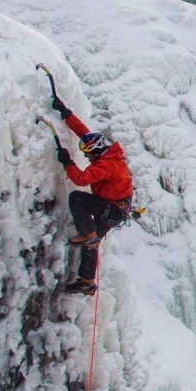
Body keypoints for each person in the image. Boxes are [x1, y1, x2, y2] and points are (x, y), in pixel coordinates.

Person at [48, 92, 133, 295]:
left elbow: (80, 179)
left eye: (87, 154)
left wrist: (67, 162)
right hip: (115, 209)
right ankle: (86, 280)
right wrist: (66, 112)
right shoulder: (107, 154)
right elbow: (83, 132)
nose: (86, 157)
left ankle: (89, 235)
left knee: (77, 198)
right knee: (92, 243)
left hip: (111, 209)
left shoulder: (105, 165)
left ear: (95, 152)